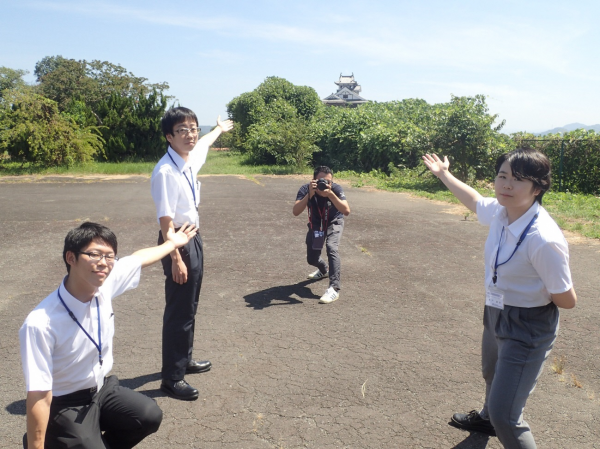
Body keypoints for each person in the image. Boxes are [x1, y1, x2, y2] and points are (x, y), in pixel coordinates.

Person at [422, 148, 577, 448]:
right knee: (491, 371)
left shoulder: (543, 238)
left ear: (538, 186)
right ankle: (486, 417)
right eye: (502, 176)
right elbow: (475, 201)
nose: (506, 185)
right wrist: (443, 174)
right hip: (495, 308)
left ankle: (496, 418)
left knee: (507, 416)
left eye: (518, 179)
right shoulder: (502, 211)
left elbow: (567, 300)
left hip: (528, 325)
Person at [19, 221, 198, 449]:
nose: (103, 263)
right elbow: (39, 395)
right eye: (94, 255)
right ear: (70, 258)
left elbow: (140, 258)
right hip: (65, 402)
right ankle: (53, 438)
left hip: (101, 389)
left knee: (148, 415)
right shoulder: (40, 323)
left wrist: (172, 243)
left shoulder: (104, 283)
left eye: (110, 256)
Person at [150, 107, 233, 400]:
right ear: (168, 136)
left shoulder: (187, 158)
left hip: (192, 238)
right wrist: (175, 259)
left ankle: (184, 360)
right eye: (182, 130)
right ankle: (172, 379)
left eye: (193, 128)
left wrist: (219, 129)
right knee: (179, 312)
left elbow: (206, 143)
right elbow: (165, 221)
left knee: (190, 306)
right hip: (177, 243)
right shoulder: (165, 171)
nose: (190, 134)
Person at [293, 166, 351, 304]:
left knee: (332, 247)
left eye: (328, 181)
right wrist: (309, 195)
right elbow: (295, 211)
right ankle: (323, 269)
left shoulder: (335, 189)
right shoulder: (305, 189)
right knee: (311, 259)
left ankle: (334, 288)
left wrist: (330, 194)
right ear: (313, 180)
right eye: (321, 180)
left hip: (333, 222)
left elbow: (346, 210)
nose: (324, 184)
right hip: (316, 224)